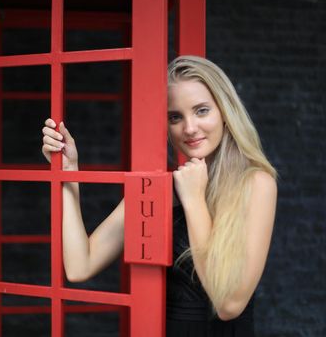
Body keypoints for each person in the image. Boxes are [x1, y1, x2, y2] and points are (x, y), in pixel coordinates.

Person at [41, 55, 277, 336]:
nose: (189, 128)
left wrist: (193, 200)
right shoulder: (161, 186)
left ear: (225, 112)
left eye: (202, 111)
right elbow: (81, 265)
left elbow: (229, 304)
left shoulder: (256, 183)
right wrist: (70, 172)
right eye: (175, 116)